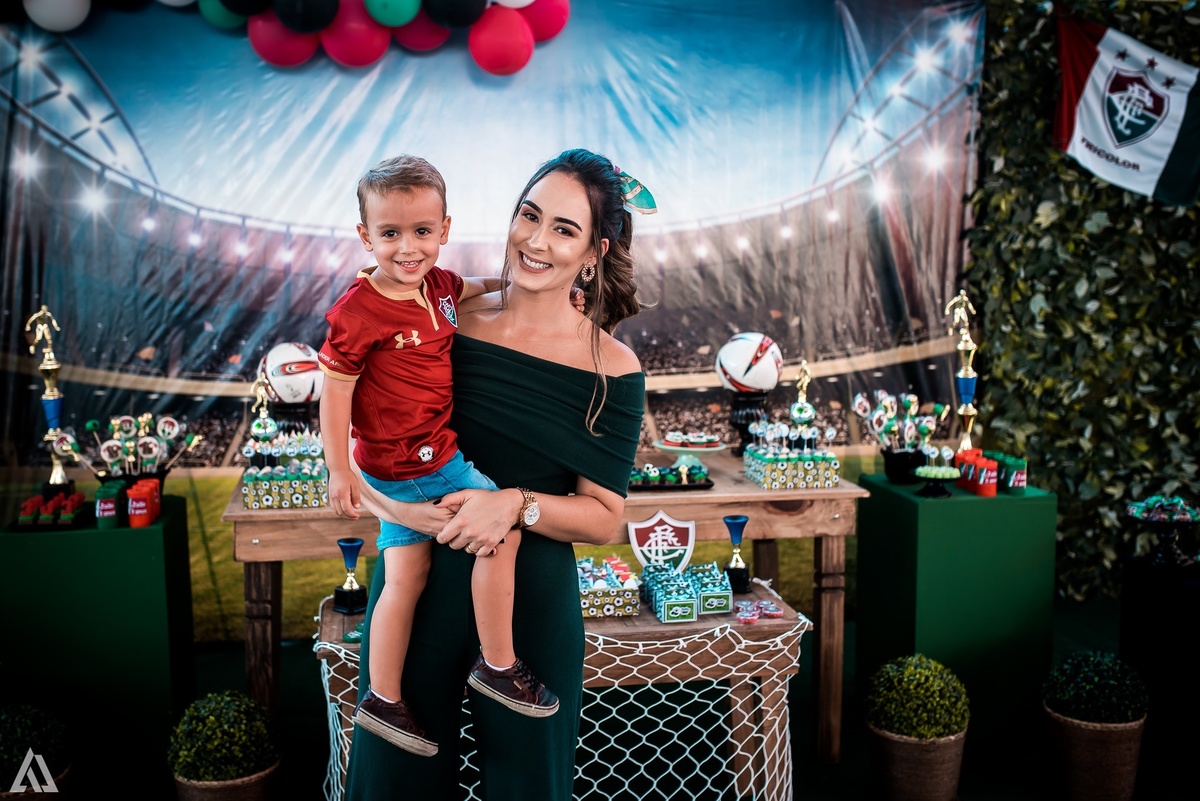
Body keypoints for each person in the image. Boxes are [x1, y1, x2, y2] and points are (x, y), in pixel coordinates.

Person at [343, 148, 652, 800]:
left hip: (529, 608)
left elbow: (604, 517)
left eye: (562, 229)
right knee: (392, 785)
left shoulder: (613, 369)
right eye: (528, 215)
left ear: (592, 252)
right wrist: (399, 512)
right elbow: (363, 445)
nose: (535, 241)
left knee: (529, 789)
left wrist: (513, 504)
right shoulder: (444, 318)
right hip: (415, 584)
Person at [318, 154, 560, 760]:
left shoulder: (442, 287)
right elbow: (337, 388)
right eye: (390, 233)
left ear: (444, 230)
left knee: (406, 577)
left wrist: (517, 285)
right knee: (500, 534)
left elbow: (472, 288)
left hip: (421, 460)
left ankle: (381, 696)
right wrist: (337, 468)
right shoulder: (358, 309)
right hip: (413, 466)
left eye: (422, 232)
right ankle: (498, 664)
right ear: (364, 236)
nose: (408, 247)